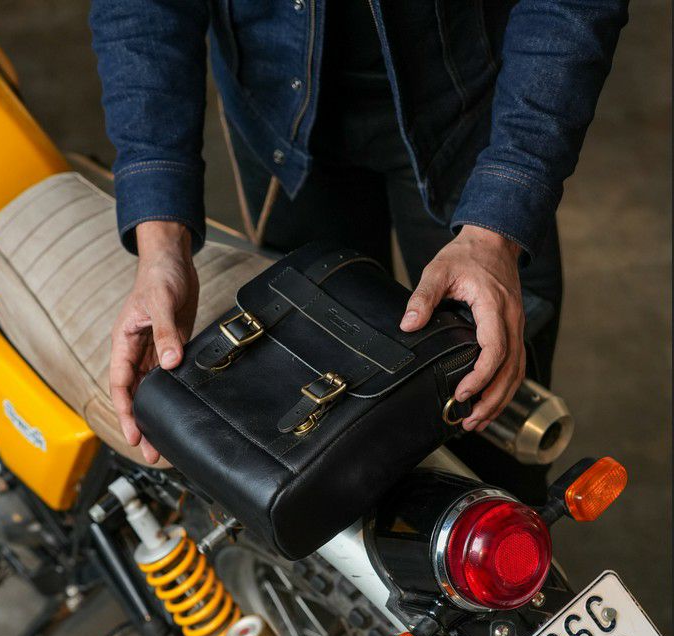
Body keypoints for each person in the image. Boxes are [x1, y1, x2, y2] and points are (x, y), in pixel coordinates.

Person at [90, 0, 628, 482]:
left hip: (473, 116)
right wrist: (161, 244)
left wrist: (500, 221)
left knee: (488, 405)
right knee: (313, 437)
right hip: (281, 123)